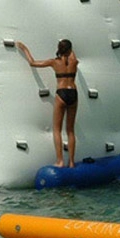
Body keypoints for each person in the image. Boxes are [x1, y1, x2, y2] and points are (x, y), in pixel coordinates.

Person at [16, 39, 78, 167]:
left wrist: (24, 48)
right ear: (70, 50)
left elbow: (32, 63)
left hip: (61, 94)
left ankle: (60, 161)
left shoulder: (54, 62)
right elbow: (72, 54)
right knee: (70, 130)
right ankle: (71, 162)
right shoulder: (74, 62)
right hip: (73, 93)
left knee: (57, 130)